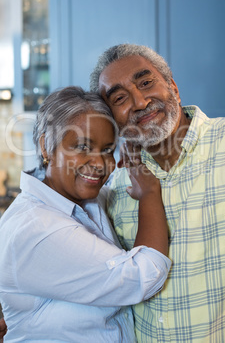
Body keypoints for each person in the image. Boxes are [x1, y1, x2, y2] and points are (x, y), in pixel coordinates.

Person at [90, 43, 225, 342]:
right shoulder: (118, 184)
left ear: (172, 86)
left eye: (146, 83)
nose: (139, 101)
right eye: (120, 98)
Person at [0, 86, 171, 342]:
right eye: (82, 147)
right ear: (46, 146)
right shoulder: (39, 228)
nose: (100, 164)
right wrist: (149, 195)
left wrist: (134, 148)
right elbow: (141, 277)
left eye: (107, 150)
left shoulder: (81, 199)